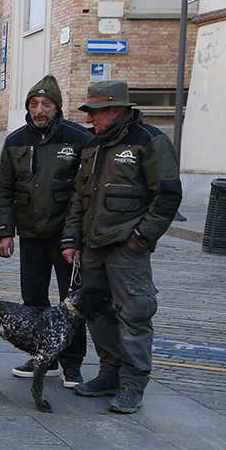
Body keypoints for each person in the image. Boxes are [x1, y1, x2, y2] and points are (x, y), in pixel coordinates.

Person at [61, 81, 182, 414]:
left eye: (95, 113)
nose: (90, 120)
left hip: (126, 247)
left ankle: (132, 385)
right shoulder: (93, 145)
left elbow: (168, 195)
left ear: (115, 111)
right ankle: (108, 375)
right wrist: (72, 239)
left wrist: (141, 237)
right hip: (93, 246)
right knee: (98, 314)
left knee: (135, 315)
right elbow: (78, 198)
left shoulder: (150, 141)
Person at [0, 75, 93, 387]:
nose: (40, 109)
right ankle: (42, 357)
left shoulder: (79, 138)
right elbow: (4, 189)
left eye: (46, 104)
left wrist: (76, 237)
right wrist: (4, 232)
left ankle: (71, 363)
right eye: (34, 104)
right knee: (33, 298)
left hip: (65, 235)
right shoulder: (15, 141)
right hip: (31, 233)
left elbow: (87, 190)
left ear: (57, 107)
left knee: (72, 302)